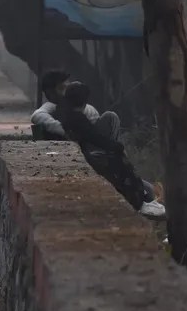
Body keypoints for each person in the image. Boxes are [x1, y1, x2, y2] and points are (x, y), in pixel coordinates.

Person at [31, 70, 157, 203]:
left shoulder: (75, 108)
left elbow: (92, 120)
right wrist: (66, 130)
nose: (66, 91)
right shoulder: (51, 107)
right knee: (146, 190)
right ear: (50, 92)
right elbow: (37, 116)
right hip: (87, 153)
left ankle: (115, 163)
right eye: (62, 88)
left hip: (92, 146)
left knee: (110, 117)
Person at [59, 82, 166, 220]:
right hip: (91, 156)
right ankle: (140, 203)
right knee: (135, 178)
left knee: (145, 185)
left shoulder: (67, 114)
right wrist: (117, 148)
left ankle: (145, 200)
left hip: (88, 151)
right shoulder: (77, 119)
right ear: (84, 102)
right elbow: (94, 137)